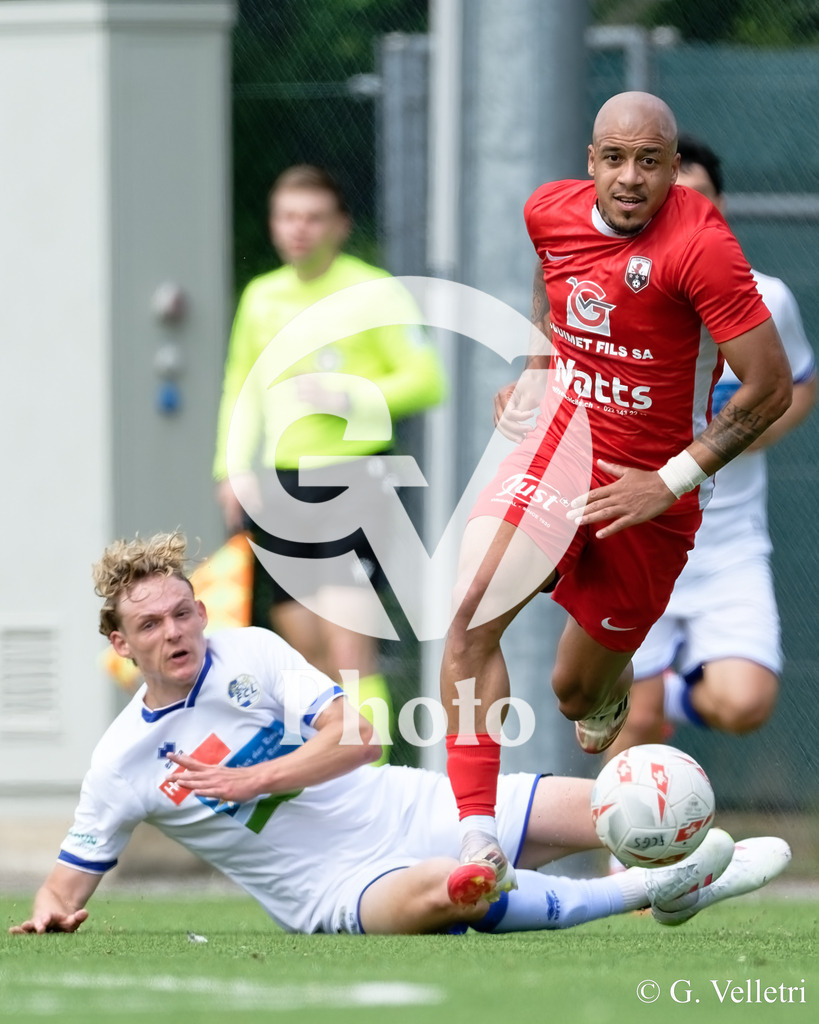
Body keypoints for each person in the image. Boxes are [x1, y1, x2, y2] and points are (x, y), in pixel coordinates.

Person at [8, 532, 790, 937]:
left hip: (417, 807)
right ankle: (645, 890)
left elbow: (360, 739)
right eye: (152, 623)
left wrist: (253, 779)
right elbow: (66, 883)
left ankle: (685, 880)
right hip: (336, 890)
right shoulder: (120, 761)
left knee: (622, 810)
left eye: (184, 611)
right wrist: (50, 913)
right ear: (121, 643)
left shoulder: (249, 651)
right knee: (450, 890)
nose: (176, 630)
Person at [441, 92, 793, 907]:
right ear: (590, 160)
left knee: (577, 694)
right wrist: (539, 363)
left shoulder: (701, 246)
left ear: (673, 170)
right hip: (554, 459)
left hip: (651, 500)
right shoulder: (549, 212)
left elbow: (770, 388)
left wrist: (665, 481)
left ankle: (609, 680)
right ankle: (476, 836)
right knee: (468, 614)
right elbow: (552, 279)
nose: (629, 178)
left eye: (648, 162)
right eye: (613, 159)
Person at [212, 164, 446, 760]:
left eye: (314, 217)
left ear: (340, 225)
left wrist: (354, 395)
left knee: (350, 654)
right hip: (279, 487)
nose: (300, 229)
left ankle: (382, 785)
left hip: (354, 481)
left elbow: (427, 378)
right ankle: (331, 787)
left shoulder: (374, 290)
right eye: (288, 216)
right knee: (305, 655)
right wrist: (231, 467)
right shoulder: (261, 295)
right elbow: (239, 382)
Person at [608, 135, 816, 751]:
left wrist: (741, 436)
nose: (689, 212)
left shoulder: (766, 296)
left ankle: (672, 690)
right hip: (637, 537)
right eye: (675, 201)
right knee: (631, 717)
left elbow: (798, 383)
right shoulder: (619, 292)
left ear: (721, 208)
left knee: (745, 703)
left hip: (728, 544)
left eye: (701, 200)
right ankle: (630, 849)